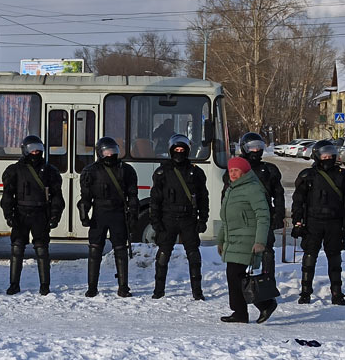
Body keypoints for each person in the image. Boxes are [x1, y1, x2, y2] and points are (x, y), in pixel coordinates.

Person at [291, 139, 345, 305]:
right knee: (309, 257)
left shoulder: (343, 175)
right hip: (313, 222)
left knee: (335, 259)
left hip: (335, 223)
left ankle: (337, 293)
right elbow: (298, 201)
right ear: (317, 155)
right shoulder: (307, 175)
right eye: (324, 154)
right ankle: (305, 293)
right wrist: (297, 222)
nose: (328, 157)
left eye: (330, 154)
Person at [0, 135, 65, 295]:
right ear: (24, 150)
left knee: (42, 249)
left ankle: (44, 285)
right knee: (17, 249)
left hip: (41, 213)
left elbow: (57, 196)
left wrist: (55, 215)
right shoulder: (14, 170)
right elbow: (7, 195)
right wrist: (8, 214)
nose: (35, 152)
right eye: (32, 149)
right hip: (20, 213)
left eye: (38, 149)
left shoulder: (51, 171)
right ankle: (14, 284)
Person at [149, 134, 209, 299]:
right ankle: (158, 291)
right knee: (163, 255)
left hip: (188, 218)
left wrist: (203, 219)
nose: (179, 152)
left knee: (194, 255)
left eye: (182, 149)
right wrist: (155, 221)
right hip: (168, 218)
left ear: (188, 151)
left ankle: (197, 292)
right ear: (171, 150)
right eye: (176, 149)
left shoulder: (195, 172)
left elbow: (203, 197)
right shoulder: (162, 172)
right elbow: (155, 199)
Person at [78, 137, 139, 297]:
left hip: (119, 212)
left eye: (113, 150)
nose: (111, 154)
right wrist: (84, 214)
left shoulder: (126, 170)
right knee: (94, 250)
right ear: (100, 153)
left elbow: (133, 196)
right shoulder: (90, 171)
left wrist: (133, 215)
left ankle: (123, 287)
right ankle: (92, 287)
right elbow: (85, 197)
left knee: (121, 250)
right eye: (107, 151)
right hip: (100, 213)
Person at [217, 156, 276, 324]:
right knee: (236, 277)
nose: (233, 174)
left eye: (236, 170)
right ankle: (243, 311)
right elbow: (226, 219)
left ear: (244, 171)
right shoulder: (231, 189)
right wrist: (221, 240)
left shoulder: (253, 189)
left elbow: (263, 217)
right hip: (233, 240)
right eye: (231, 171)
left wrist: (260, 241)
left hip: (247, 239)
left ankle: (264, 303)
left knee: (236, 275)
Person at [225, 132, 285, 278]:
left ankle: (267, 281)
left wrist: (279, 215)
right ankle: (241, 282)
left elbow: (278, 195)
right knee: (239, 252)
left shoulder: (270, 170)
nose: (256, 151)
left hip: (263, 216)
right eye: (252, 148)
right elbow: (226, 196)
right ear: (245, 148)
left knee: (267, 251)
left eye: (259, 147)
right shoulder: (236, 169)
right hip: (242, 218)